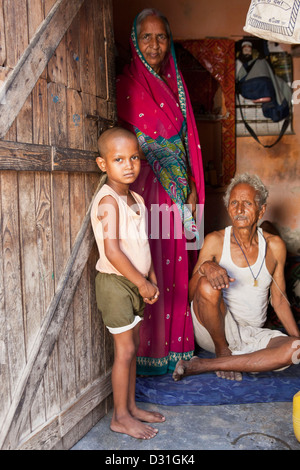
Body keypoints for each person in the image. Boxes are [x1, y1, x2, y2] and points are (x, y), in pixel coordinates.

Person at [116, 8, 205, 375]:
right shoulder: (125, 84)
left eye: (161, 37)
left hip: (178, 195)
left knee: (177, 266)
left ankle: (177, 351)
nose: (154, 45)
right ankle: (148, 356)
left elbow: (188, 143)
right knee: (148, 265)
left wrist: (192, 191)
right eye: (146, 37)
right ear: (135, 42)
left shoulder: (178, 85)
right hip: (144, 192)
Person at [172, 173, 300, 382]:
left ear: (261, 210)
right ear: (228, 207)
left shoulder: (275, 246)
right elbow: (189, 295)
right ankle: (223, 353)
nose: (239, 210)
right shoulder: (215, 241)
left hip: (251, 333)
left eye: (247, 203)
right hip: (214, 330)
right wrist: (205, 268)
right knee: (207, 283)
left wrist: (297, 337)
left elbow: (279, 299)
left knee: (294, 349)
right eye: (234, 203)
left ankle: (202, 365)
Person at [91, 127, 165, 439]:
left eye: (134, 157)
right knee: (123, 352)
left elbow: (140, 244)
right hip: (116, 285)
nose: (129, 164)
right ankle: (120, 416)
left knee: (132, 348)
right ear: (103, 164)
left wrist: (150, 278)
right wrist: (140, 282)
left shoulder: (135, 198)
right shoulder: (108, 201)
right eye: (118, 159)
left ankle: (131, 406)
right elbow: (112, 251)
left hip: (135, 283)